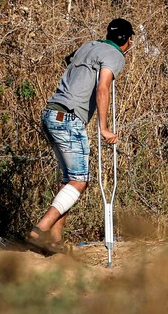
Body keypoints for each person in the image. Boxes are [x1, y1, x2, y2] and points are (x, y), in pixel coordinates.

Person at [26, 18, 134, 254]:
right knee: (79, 180)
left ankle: (55, 240)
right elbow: (103, 88)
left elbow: (69, 58)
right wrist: (103, 128)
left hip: (51, 113)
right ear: (127, 40)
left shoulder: (89, 45)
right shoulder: (116, 55)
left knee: (68, 180)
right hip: (69, 119)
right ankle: (40, 229)